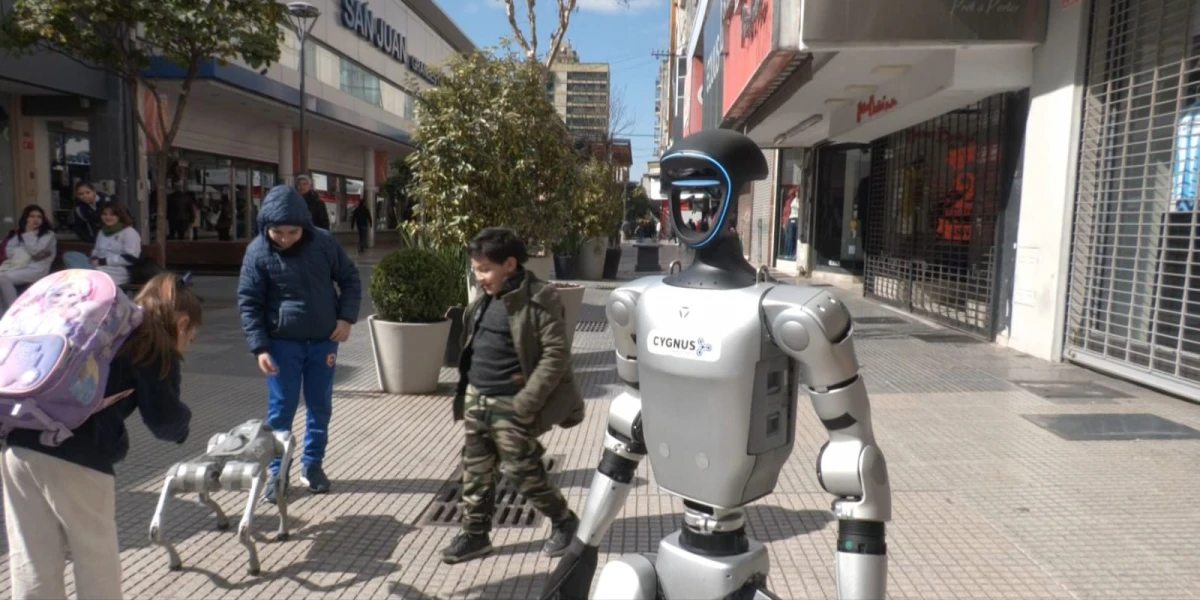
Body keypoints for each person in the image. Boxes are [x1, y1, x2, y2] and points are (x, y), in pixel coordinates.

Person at [1, 272, 199, 600]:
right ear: (181, 323)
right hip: (78, 457)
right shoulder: (151, 342)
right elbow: (164, 421)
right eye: (191, 338)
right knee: (94, 557)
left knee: (32, 556)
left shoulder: (104, 331)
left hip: (18, 444)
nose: (188, 346)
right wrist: (184, 424)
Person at [442, 227, 585, 565]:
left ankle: (565, 522)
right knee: (475, 470)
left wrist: (526, 402)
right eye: (476, 269)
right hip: (479, 397)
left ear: (509, 264)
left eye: (485, 269)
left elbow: (555, 355)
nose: (479, 277)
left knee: (522, 471)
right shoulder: (485, 298)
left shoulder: (540, 297)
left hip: (513, 402)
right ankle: (475, 534)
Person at [238, 185, 361, 503]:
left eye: (292, 231)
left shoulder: (322, 242)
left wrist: (346, 319)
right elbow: (249, 302)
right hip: (282, 345)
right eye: (277, 231)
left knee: (320, 407)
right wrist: (260, 347)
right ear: (266, 225)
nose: (284, 238)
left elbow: (349, 278)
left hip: (323, 341)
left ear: (304, 226)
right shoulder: (257, 251)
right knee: (281, 411)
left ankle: (314, 466)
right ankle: (278, 473)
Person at [62, 203, 142, 286]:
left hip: (118, 269)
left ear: (120, 216)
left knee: (80, 274)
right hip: (96, 265)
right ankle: (86, 272)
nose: (108, 217)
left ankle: (85, 274)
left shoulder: (129, 232)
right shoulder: (102, 232)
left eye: (112, 214)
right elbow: (96, 250)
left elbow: (131, 258)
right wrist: (93, 257)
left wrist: (103, 261)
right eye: (105, 214)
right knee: (69, 255)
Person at [0, 205, 57, 313]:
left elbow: (35, 251)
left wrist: (28, 234)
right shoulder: (19, 233)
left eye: (39, 217)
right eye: (32, 216)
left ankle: (13, 311)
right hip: (18, 266)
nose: (36, 219)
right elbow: (9, 250)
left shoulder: (48, 235)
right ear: (26, 218)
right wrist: (25, 250)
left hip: (36, 269)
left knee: (3, 278)